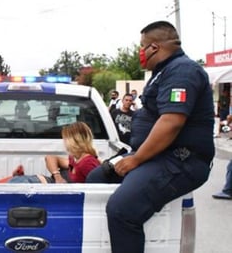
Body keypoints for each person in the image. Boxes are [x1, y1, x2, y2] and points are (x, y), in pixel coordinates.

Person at [86, 21, 214, 253]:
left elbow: (171, 122)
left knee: (122, 210)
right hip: (156, 156)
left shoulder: (182, 71)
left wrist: (136, 159)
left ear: (154, 47)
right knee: (96, 178)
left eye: (142, 46)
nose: (140, 53)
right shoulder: (163, 72)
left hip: (179, 160)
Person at [9, 121, 101, 183]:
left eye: (65, 139)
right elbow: (50, 157)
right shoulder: (76, 159)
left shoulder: (87, 163)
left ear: (73, 141)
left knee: (13, 183)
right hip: (49, 183)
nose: (64, 142)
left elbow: (96, 189)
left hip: (51, 189)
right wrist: (57, 177)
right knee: (15, 181)